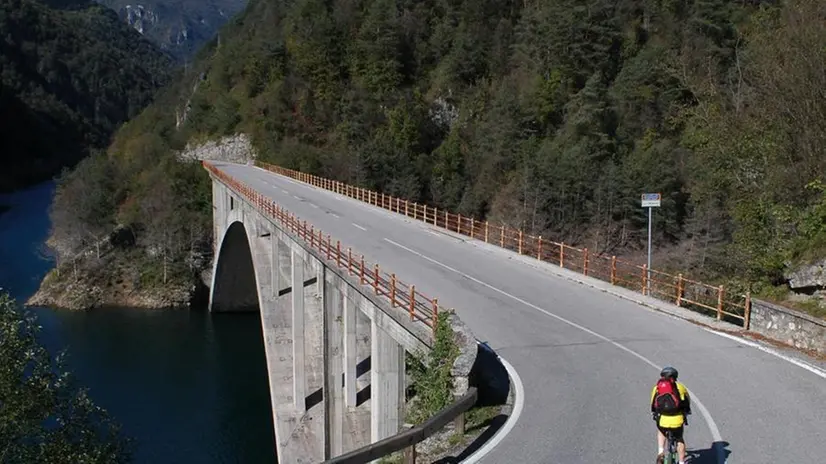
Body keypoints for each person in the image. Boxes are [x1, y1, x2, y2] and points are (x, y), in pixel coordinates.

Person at [650, 366, 691, 464]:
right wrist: (687, 411)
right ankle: (681, 462)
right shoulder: (680, 387)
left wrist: (654, 412)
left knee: (661, 431)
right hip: (677, 420)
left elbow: (652, 403)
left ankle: (660, 453)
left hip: (663, 420)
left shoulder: (657, 388)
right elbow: (687, 402)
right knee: (679, 439)